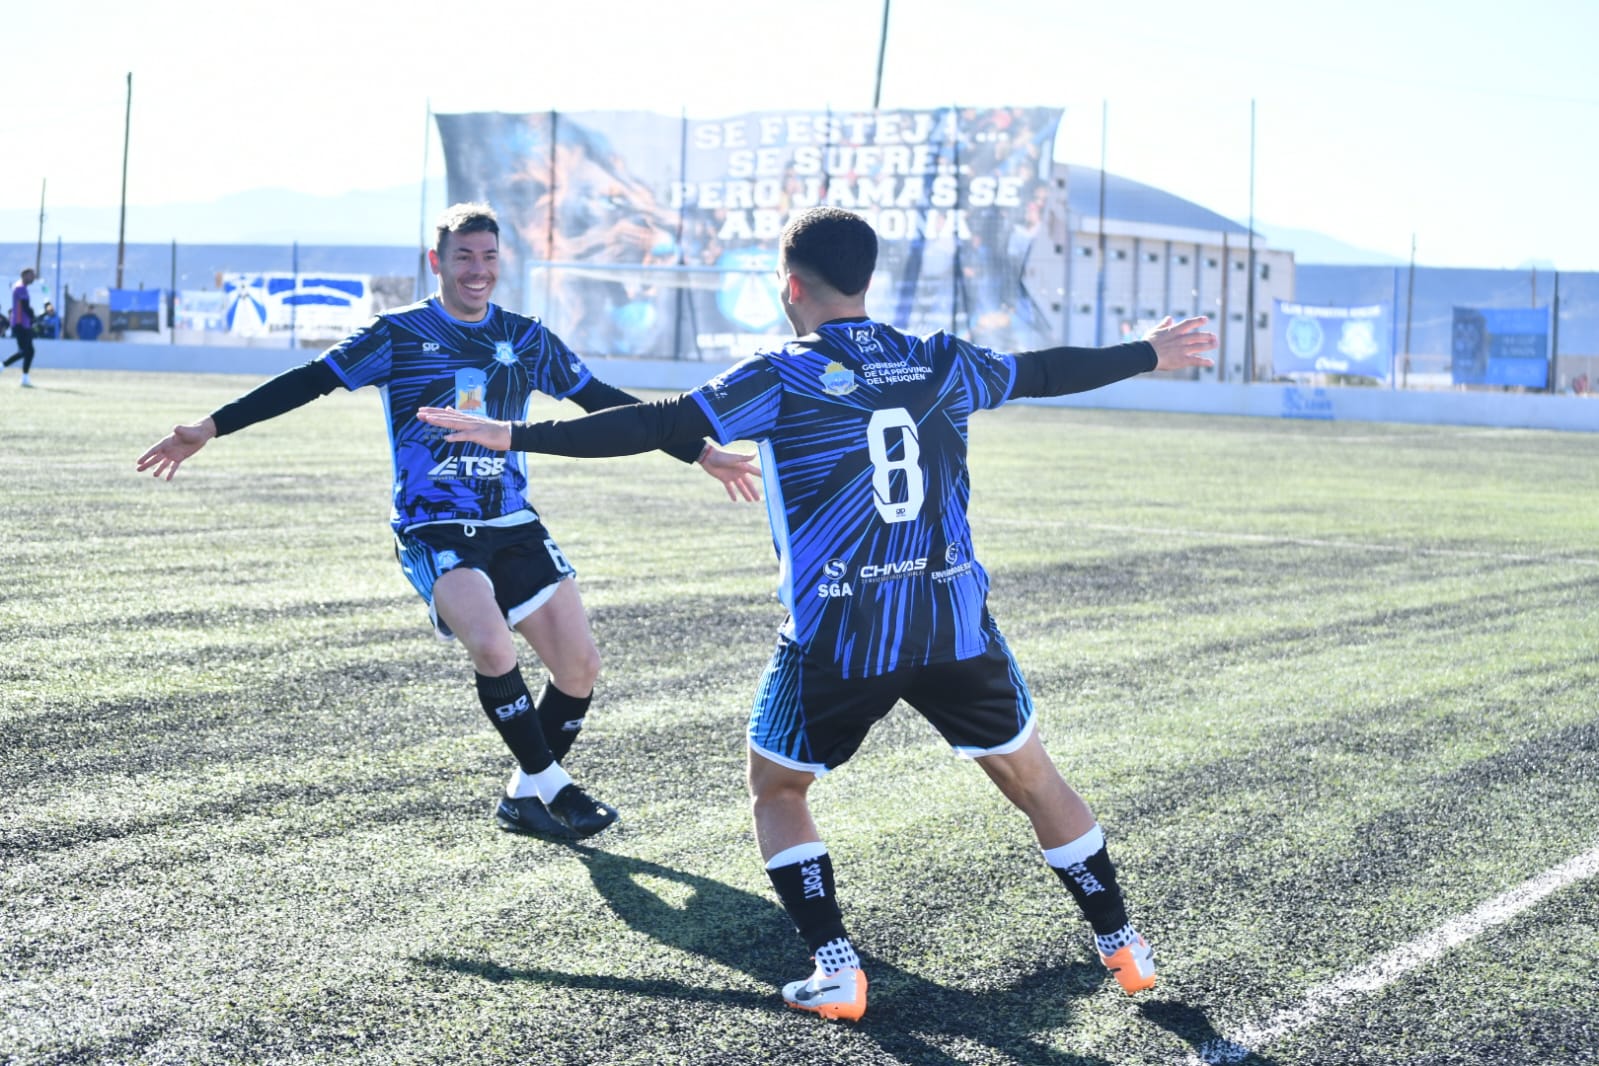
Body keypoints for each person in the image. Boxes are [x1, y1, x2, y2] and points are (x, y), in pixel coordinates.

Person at [416, 206, 1218, 1020]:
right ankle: (1122, 944)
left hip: (838, 635)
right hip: (952, 623)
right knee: (1031, 775)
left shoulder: (780, 373)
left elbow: (659, 424)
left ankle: (836, 967)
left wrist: (511, 434)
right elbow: (1045, 371)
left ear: (789, 285)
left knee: (777, 789)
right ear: (864, 279)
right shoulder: (940, 360)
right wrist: (1148, 352)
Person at [137, 202, 761, 841]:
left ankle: (525, 796)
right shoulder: (396, 334)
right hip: (432, 523)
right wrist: (209, 427)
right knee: (491, 645)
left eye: (488, 256)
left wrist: (700, 451)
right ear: (437, 262)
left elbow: (602, 403)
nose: (477, 270)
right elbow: (308, 381)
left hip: (512, 520)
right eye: (463, 256)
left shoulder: (527, 337)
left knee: (580, 668)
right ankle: (560, 790)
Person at [3, 268, 38, 386]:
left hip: (24, 324)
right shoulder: (20, 287)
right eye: (31, 275)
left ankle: (25, 378)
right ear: (24, 275)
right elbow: (25, 306)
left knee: (29, 351)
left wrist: (31, 318)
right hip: (20, 324)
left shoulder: (22, 287)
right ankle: (2, 365)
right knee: (24, 351)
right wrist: (33, 317)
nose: (33, 277)